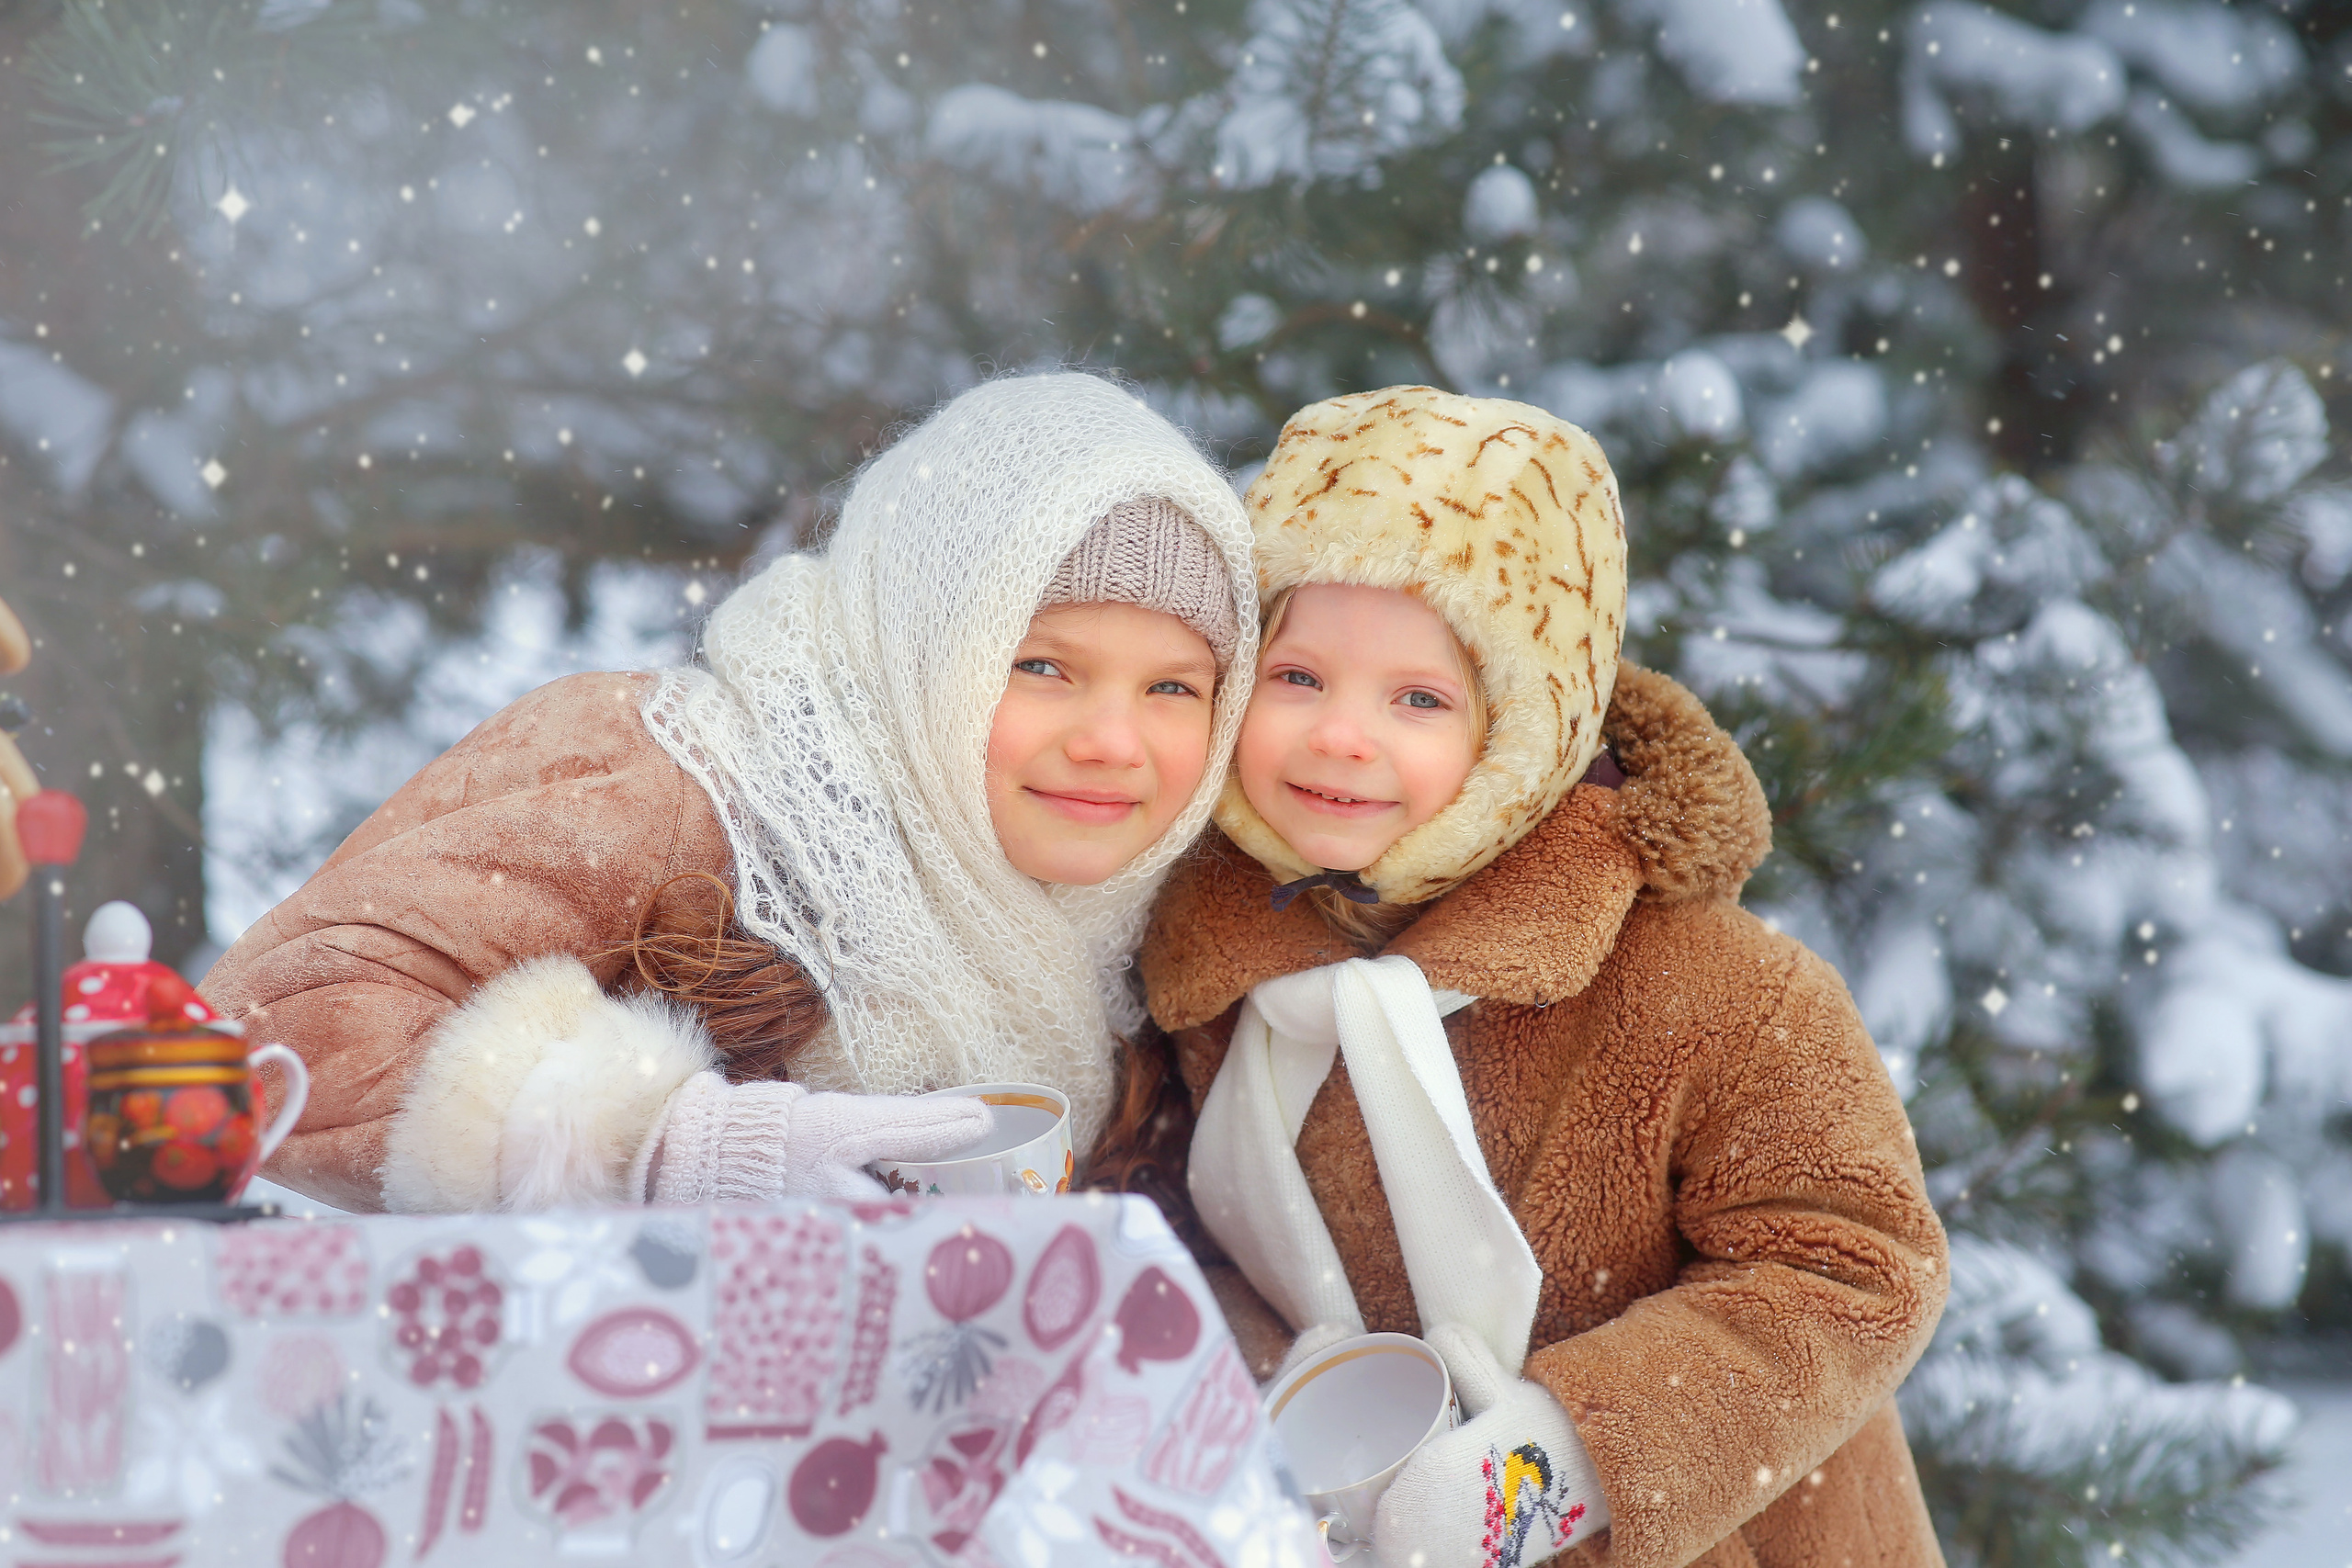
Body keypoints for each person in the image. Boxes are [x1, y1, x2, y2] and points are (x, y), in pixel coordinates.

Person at [1127, 386, 1949, 1567]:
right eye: (1299, 677)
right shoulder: (1207, 959)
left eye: (1419, 698)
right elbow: (1167, 1227)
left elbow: (1855, 1262)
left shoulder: (1708, 983)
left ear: (1523, 732)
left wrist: (1558, 1462)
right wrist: (1288, 1381)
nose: (1341, 737)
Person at [204, 372, 1255, 1213]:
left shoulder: (1175, 932)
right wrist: (649, 1143)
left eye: (1173, 688)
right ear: (923, 649)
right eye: (1043, 667)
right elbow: (261, 1031)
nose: (1114, 741)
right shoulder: (674, 776)